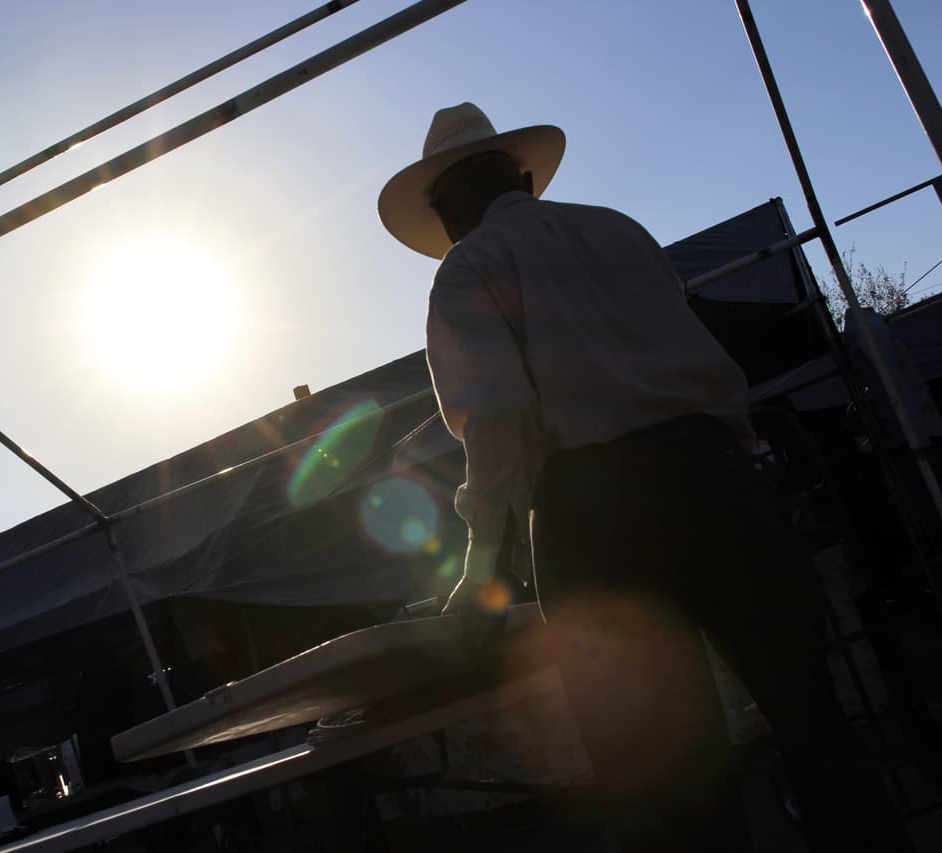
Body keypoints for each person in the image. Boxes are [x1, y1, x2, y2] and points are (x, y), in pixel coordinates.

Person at [377, 102, 911, 852]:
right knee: (814, 721)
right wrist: (745, 466)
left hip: (596, 522)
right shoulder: (618, 229)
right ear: (524, 179)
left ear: (447, 209)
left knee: (668, 774)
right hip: (716, 478)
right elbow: (702, 366)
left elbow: (500, 420)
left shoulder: (469, 269)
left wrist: (484, 564)